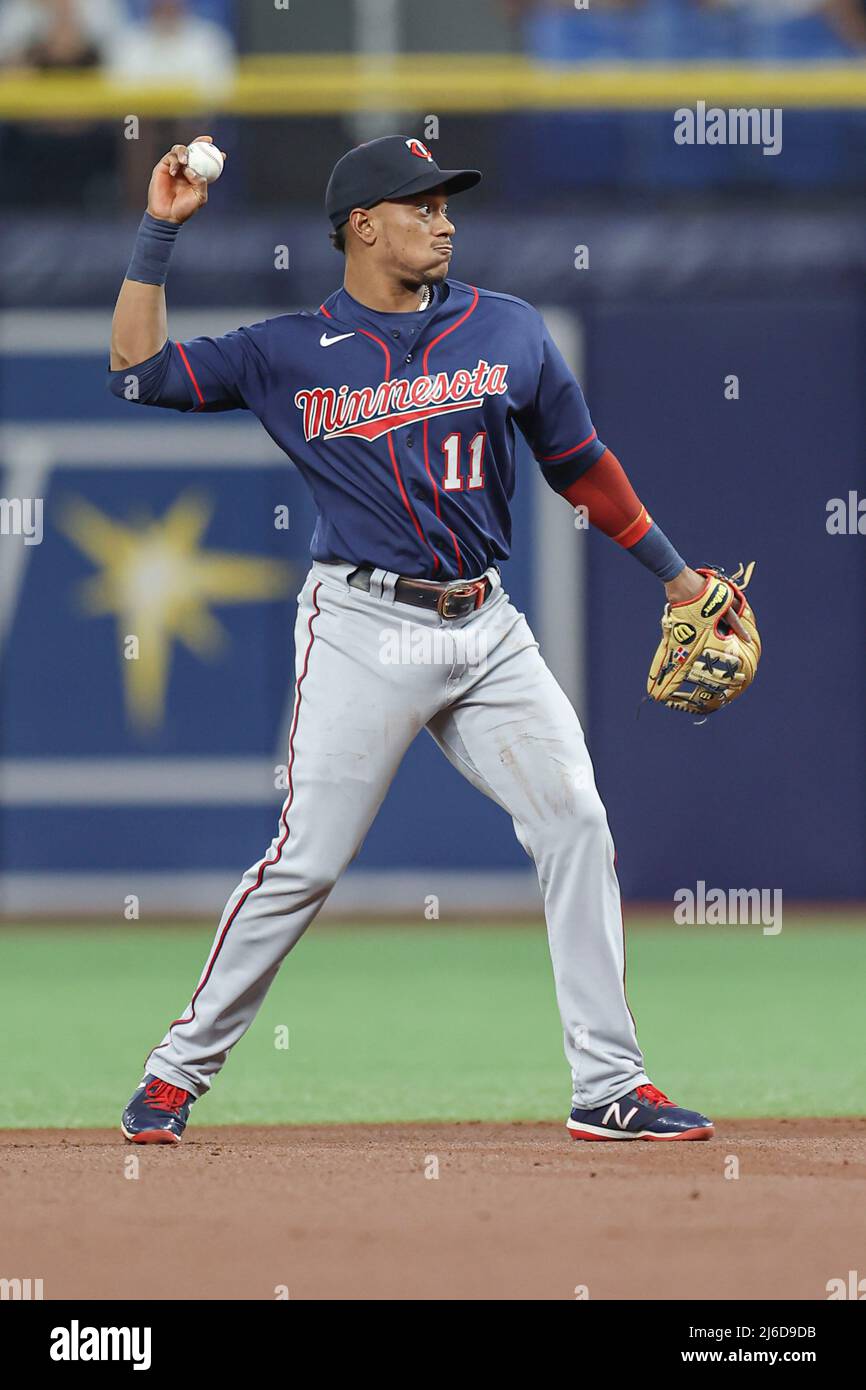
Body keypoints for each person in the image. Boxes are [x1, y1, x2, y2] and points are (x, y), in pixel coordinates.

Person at [111, 134, 744, 1146]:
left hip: (485, 625)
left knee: (573, 821)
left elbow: (580, 465)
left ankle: (608, 1085)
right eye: (421, 206)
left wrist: (678, 575)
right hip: (361, 623)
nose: (444, 221)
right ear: (362, 227)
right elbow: (137, 373)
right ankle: (175, 1072)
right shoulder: (285, 350)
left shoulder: (509, 330)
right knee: (306, 858)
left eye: (447, 205)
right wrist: (158, 232)